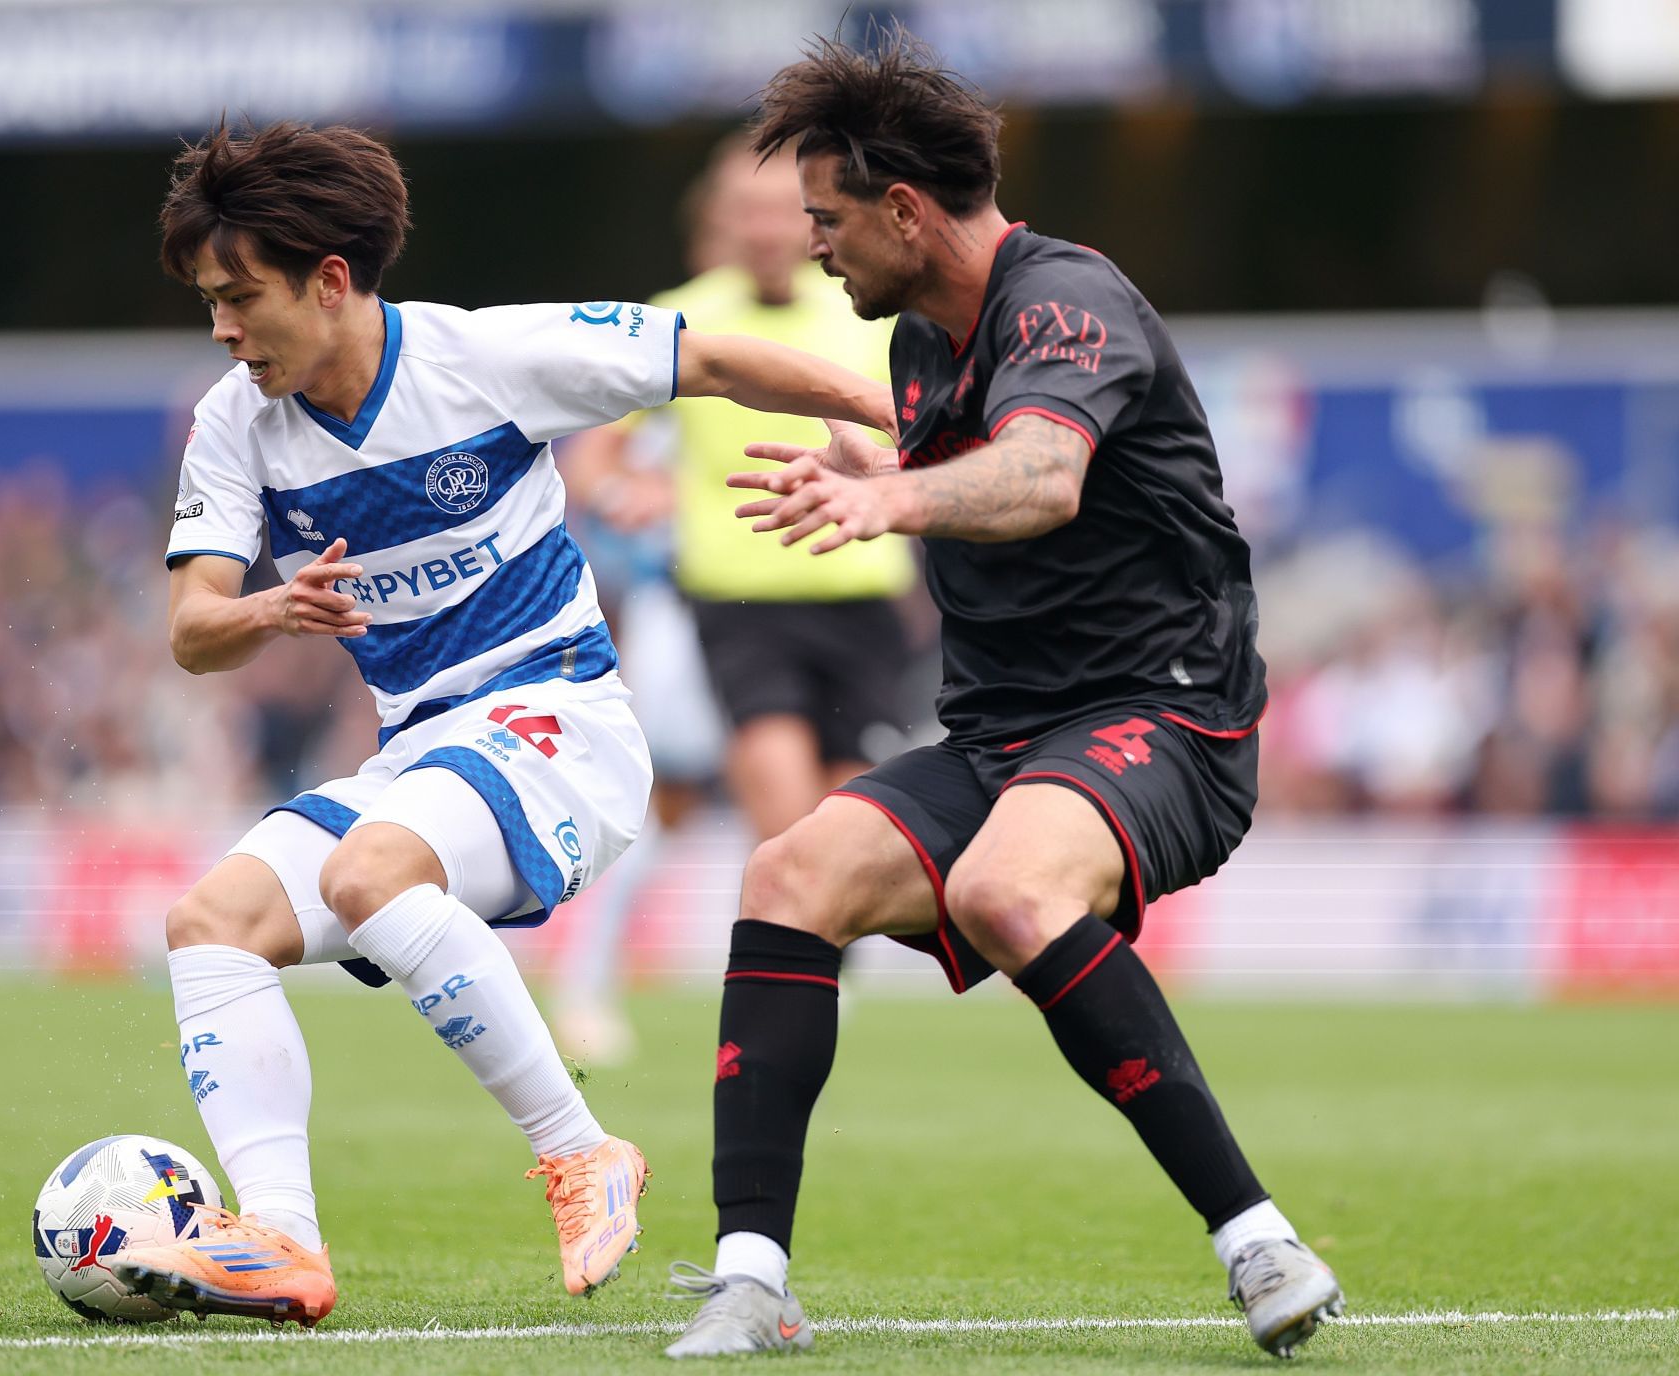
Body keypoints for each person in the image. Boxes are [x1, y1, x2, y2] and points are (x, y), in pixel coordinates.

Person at [106, 119, 895, 1328]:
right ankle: (282, 1236)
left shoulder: (490, 356)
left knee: (374, 870)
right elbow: (191, 628)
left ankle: (584, 1151)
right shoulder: (236, 421)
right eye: (210, 302)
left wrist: (904, 422)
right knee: (210, 922)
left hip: (563, 724)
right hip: (423, 754)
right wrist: (270, 603)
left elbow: (719, 361)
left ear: (329, 280)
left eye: (238, 297)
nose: (222, 328)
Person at [665, 32, 1344, 1362]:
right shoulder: (924, 336)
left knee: (1005, 890)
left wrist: (887, 496)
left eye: (830, 218)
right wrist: (884, 449)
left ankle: (1258, 1239)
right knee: (789, 870)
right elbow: (959, 445)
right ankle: (750, 1281)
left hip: (1169, 713)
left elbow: (1041, 478)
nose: (816, 247)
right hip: (1007, 734)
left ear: (907, 211)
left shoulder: (1066, 299)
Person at [555, 134, 916, 1062]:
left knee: (853, 831)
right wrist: (615, 491)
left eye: (781, 212)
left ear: (812, 219)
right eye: (745, 212)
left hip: (863, 600)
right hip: (737, 604)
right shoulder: (683, 321)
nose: (763, 229)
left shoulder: (874, 312)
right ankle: (779, 1007)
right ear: (724, 220)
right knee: (784, 821)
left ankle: (810, 984)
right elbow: (596, 448)